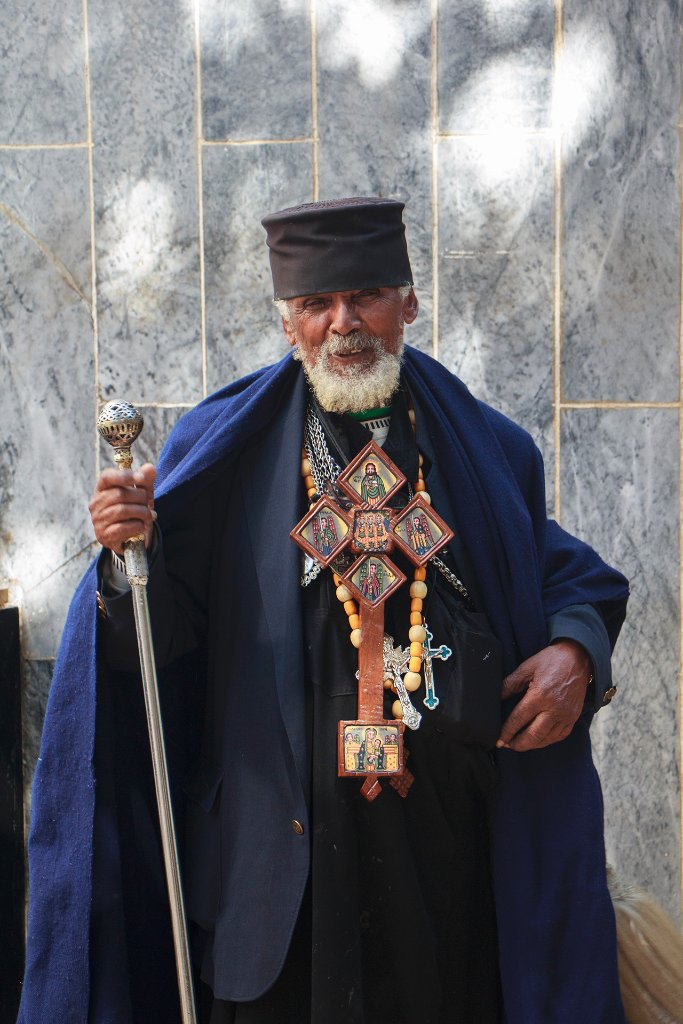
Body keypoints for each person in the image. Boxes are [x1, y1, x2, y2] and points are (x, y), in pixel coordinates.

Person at [19, 197, 629, 1024]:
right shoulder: (223, 453)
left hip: (442, 864)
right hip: (271, 874)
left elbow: (565, 578)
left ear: (408, 302)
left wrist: (577, 655)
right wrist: (132, 565)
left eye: (367, 295)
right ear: (287, 323)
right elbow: (162, 651)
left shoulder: (488, 451)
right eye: (315, 305)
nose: (344, 324)